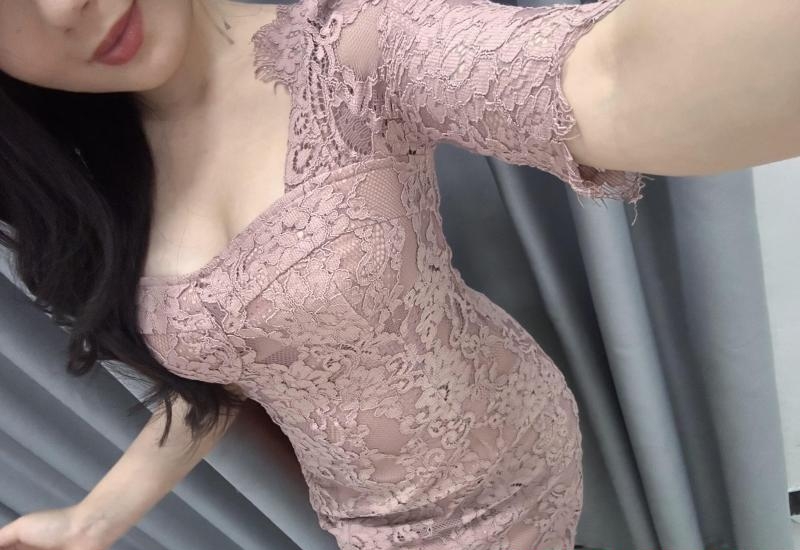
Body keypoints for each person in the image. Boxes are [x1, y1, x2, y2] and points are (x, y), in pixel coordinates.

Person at [0, 0, 798, 549]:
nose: (65, 6)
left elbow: (604, 79)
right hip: (359, 519)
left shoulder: (354, 50)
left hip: (500, 473)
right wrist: (93, 519)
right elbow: (234, 372)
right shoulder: (91, 188)